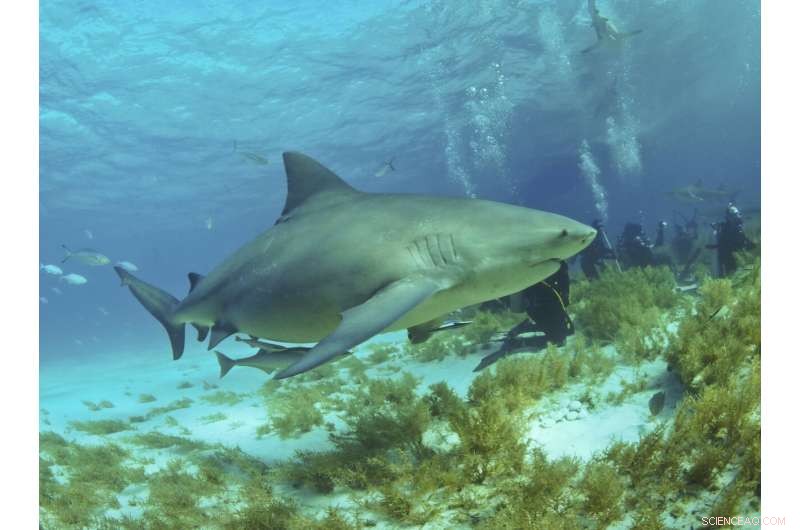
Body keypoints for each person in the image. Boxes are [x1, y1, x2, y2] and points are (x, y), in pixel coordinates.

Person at [475, 261, 574, 370]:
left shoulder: (557, 263)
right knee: (559, 339)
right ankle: (517, 342)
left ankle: (526, 327)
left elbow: (562, 270)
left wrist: (565, 295)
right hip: (536, 297)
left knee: (568, 332)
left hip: (545, 295)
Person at [710, 203, 755, 277]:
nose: (738, 216)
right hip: (728, 256)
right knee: (730, 274)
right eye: (735, 215)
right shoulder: (724, 228)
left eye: (738, 214)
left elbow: (745, 240)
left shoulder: (739, 227)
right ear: (729, 217)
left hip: (739, 255)